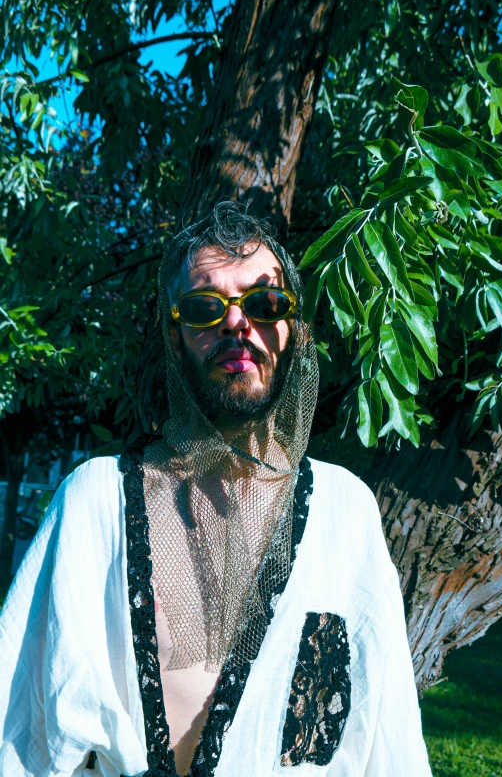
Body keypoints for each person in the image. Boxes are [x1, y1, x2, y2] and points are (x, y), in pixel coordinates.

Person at [0, 202, 433, 777]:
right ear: (175, 337)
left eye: (264, 302)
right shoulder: (94, 505)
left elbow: (388, 744)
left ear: (294, 330)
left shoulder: (345, 514)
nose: (237, 324)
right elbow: (19, 732)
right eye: (206, 307)